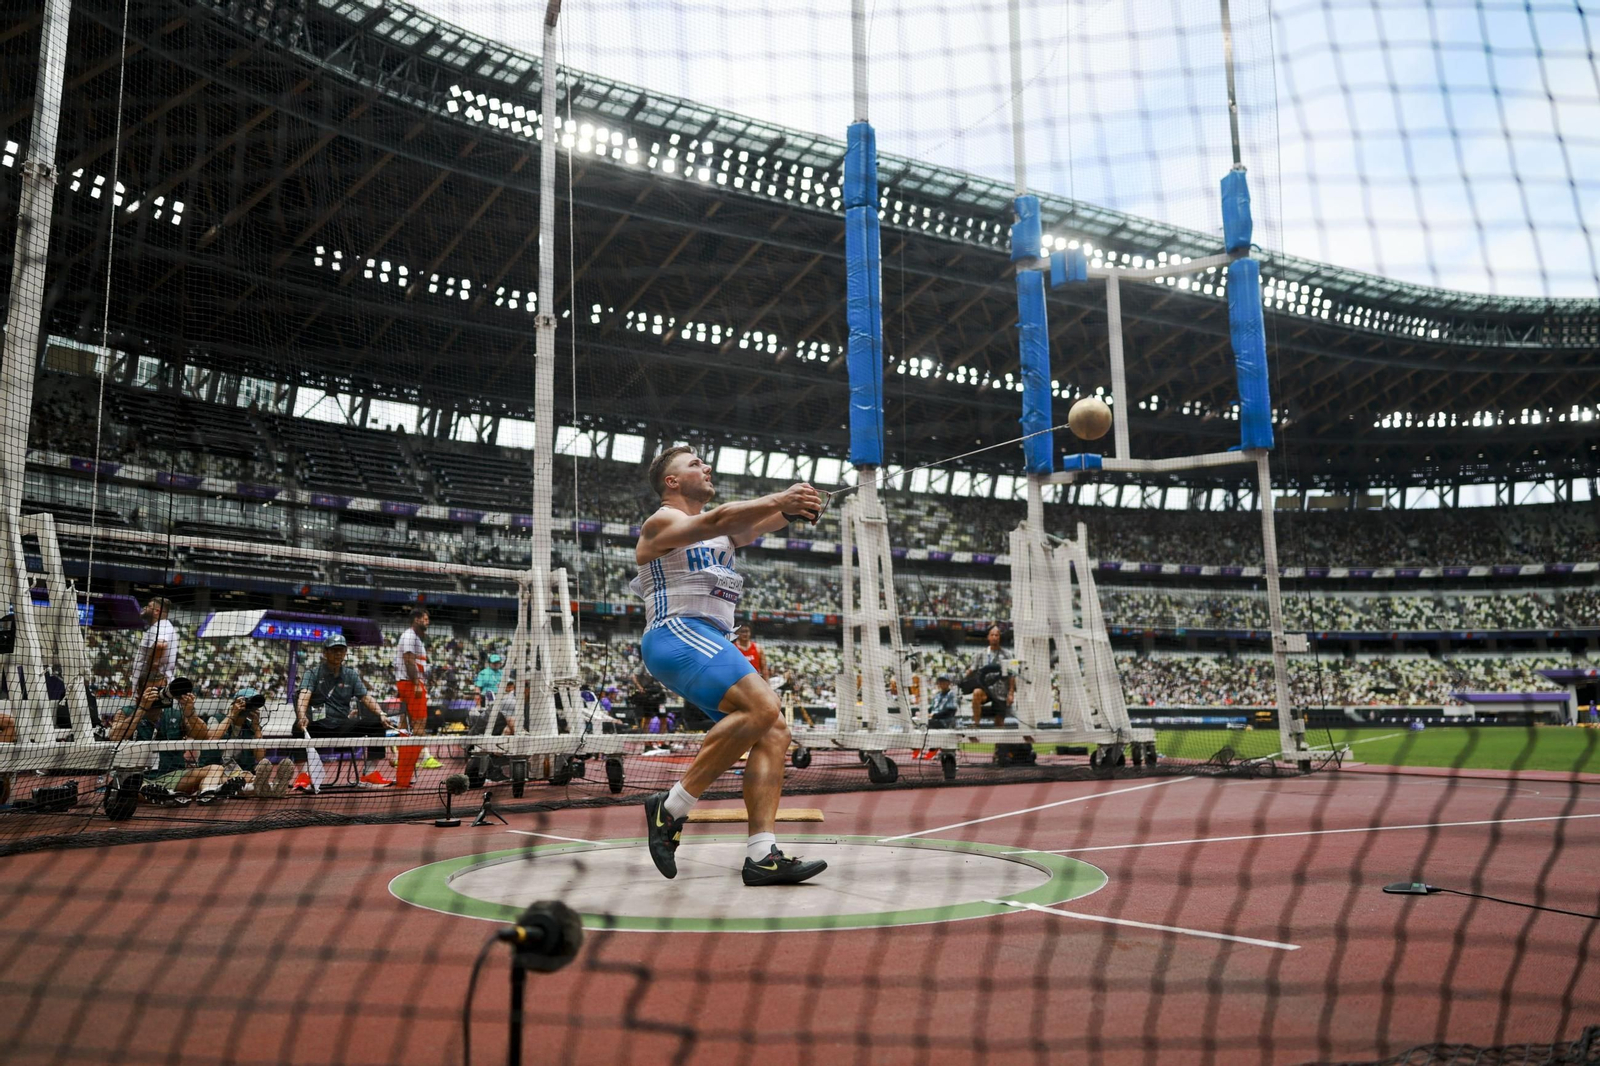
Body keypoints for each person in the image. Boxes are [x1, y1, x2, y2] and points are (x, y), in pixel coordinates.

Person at [631, 446, 828, 887]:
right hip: (675, 631)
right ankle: (671, 807)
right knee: (764, 706)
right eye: (695, 464)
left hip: (707, 639)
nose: (707, 467)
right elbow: (721, 519)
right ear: (672, 482)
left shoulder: (721, 535)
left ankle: (762, 854)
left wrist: (797, 508)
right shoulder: (662, 521)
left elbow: (750, 525)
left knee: (773, 728)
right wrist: (782, 497)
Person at [295, 633, 399, 789]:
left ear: (345, 653)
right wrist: (302, 716)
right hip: (318, 725)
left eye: (341, 650)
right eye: (334, 650)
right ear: (325, 652)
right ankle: (304, 775)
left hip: (342, 725)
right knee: (296, 728)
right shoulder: (313, 673)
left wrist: (382, 714)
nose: (338, 653)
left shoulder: (350, 675)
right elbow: (304, 695)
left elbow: (365, 697)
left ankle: (370, 774)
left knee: (377, 724)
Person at [108, 680, 234, 801]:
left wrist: (190, 713)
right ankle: (166, 795)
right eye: (153, 690)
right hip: (138, 777)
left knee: (216, 769)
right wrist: (141, 708)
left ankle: (207, 793)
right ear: (139, 693)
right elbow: (115, 736)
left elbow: (202, 736)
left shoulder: (176, 714)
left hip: (174, 775)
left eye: (161, 689)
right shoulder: (126, 712)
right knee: (129, 787)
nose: (158, 694)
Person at [204, 688, 293, 798]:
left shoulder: (250, 727)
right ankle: (270, 787)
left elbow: (261, 758)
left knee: (247, 777)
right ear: (235, 703)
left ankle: (265, 787)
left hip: (240, 771)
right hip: (216, 769)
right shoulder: (216, 719)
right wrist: (231, 715)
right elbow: (212, 739)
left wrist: (256, 728)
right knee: (234, 780)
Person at [393, 608, 430, 788]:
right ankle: (413, 764)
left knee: (405, 725)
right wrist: (416, 684)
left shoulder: (415, 638)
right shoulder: (409, 636)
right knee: (419, 724)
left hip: (408, 683)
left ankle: (404, 770)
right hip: (410, 683)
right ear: (416, 619)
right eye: (425, 618)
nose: (427, 621)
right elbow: (408, 661)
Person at [967, 625, 1016, 727]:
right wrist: (965, 674)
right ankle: (976, 724)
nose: (994, 637)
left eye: (997, 635)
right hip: (986, 689)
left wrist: (1011, 693)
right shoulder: (980, 654)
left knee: (999, 723)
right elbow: (972, 669)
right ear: (988, 637)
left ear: (999, 637)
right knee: (976, 693)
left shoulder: (1008, 654)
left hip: (1001, 691)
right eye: (992, 635)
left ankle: (1000, 742)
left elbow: (1012, 674)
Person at [131, 596, 178, 691]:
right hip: (152, 685)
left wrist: (152, 664)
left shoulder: (161, 626)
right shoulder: (159, 626)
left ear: (157, 611)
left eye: (148, 606)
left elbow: (161, 645)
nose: (144, 608)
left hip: (153, 686)